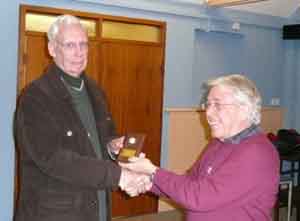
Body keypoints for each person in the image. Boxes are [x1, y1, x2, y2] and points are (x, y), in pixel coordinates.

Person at [14, 14, 149, 221]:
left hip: (95, 205)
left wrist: (112, 146)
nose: (78, 53)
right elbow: (53, 159)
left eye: (83, 45)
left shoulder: (95, 90)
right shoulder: (35, 97)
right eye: (69, 45)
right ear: (52, 49)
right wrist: (118, 176)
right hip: (54, 213)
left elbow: (99, 138)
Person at [120, 74, 280, 221]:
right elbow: (190, 183)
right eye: (208, 104)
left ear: (244, 109)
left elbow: (199, 197)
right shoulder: (219, 143)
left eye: (217, 105)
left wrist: (153, 172)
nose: (208, 113)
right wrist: (149, 182)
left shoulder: (257, 153)